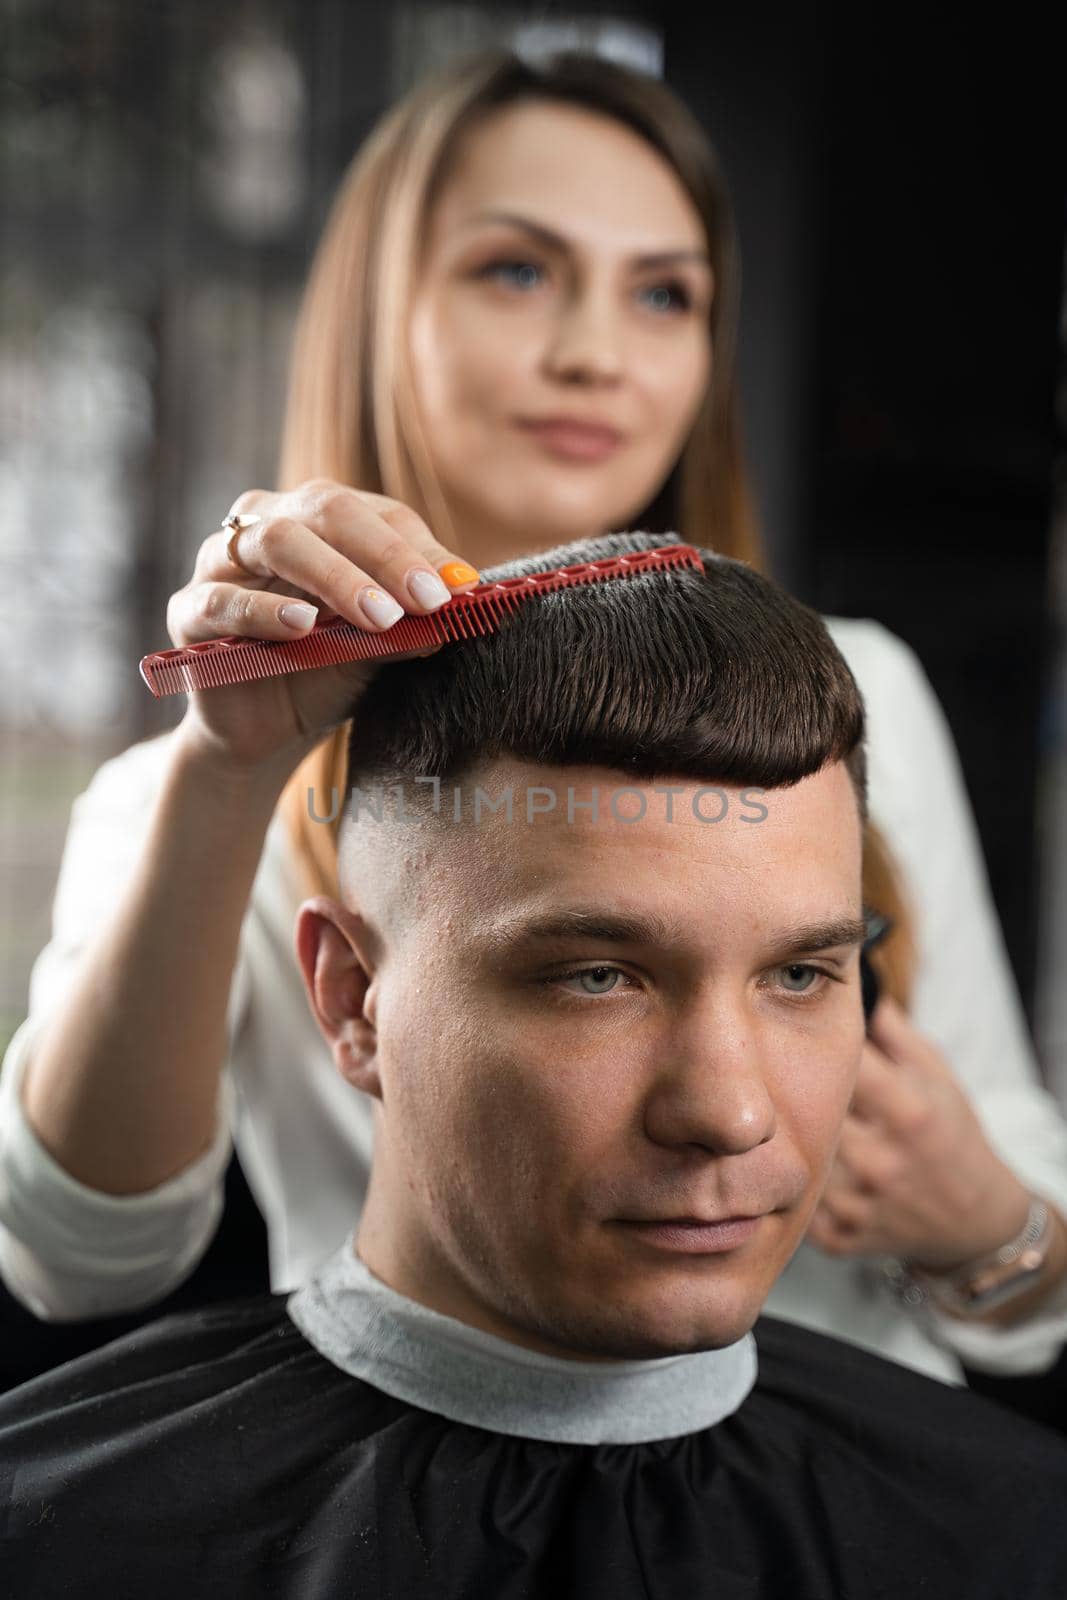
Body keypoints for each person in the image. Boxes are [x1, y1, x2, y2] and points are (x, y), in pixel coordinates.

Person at [2, 49, 1066, 1388]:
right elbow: (79, 1255)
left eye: (662, 294)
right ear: (377, 317)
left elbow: (1024, 1235)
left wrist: (978, 1217)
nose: (591, 353)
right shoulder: (208, 792)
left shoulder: (859, 693)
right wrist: (225, 775)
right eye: (514, 270)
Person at [2, 536, 1065, 1599]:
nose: (730, 1111)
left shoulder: (1013, 1536)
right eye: (596, 977)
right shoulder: (59, 1544)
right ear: (349, 997)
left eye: (797, 974)